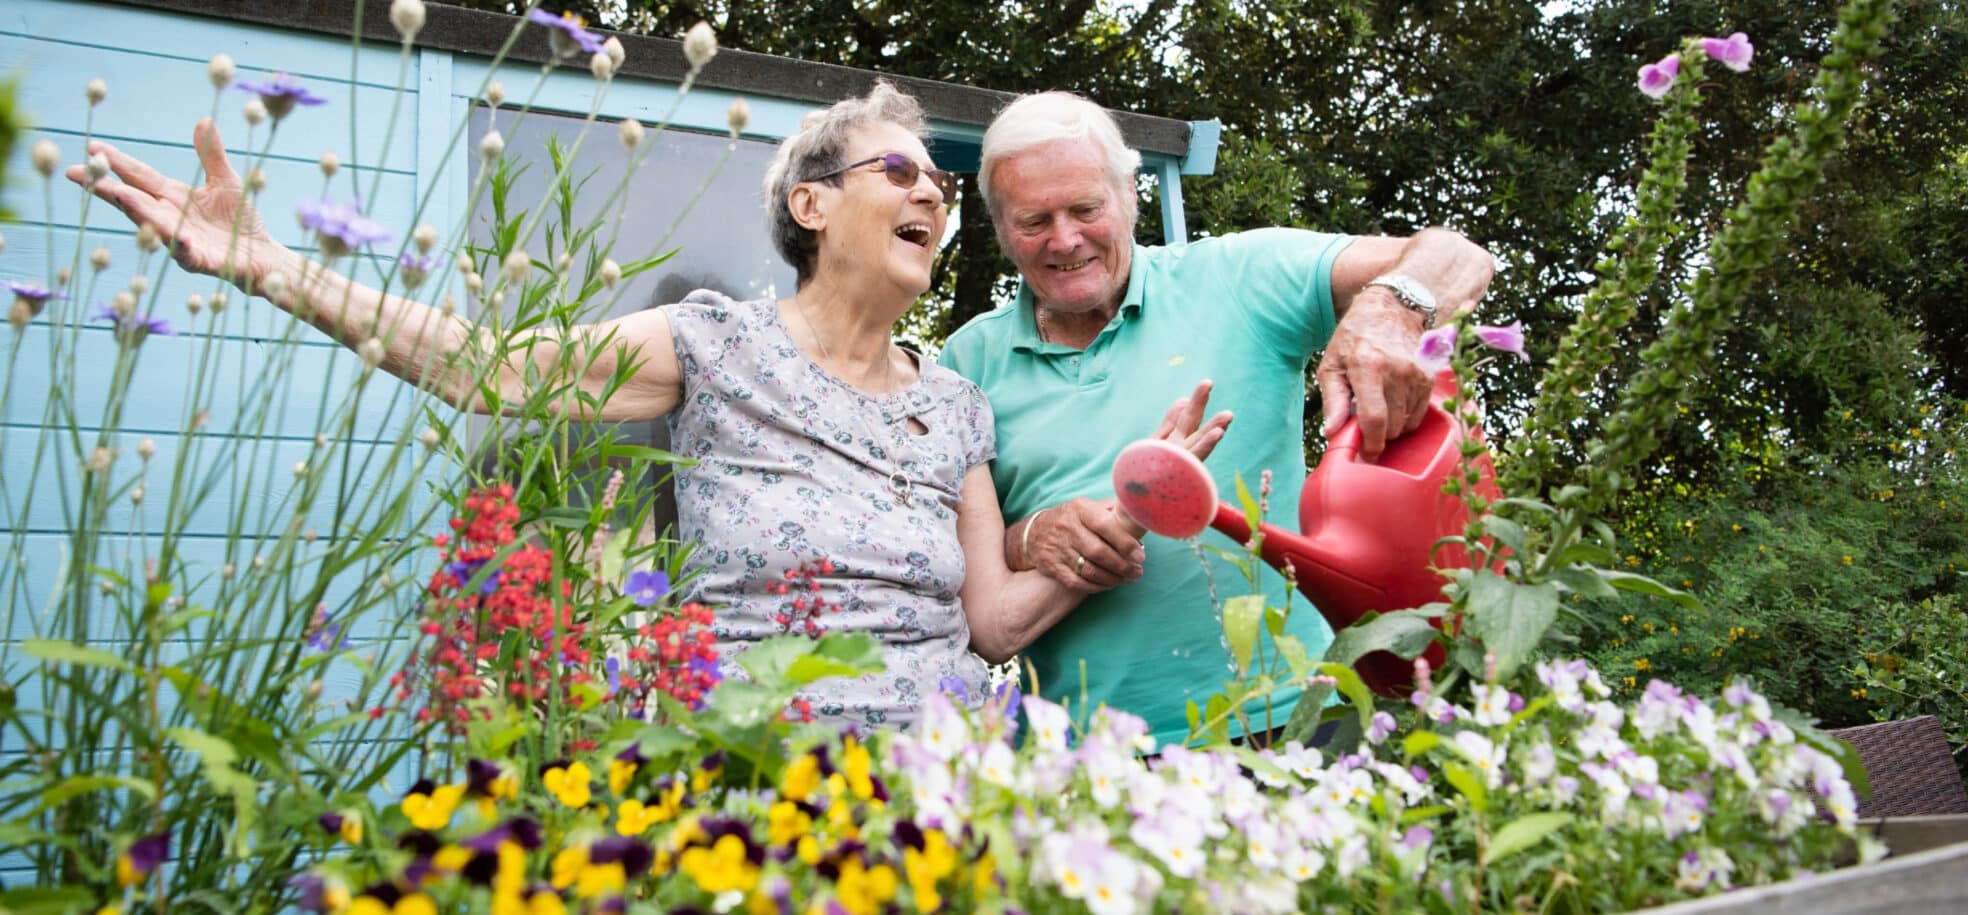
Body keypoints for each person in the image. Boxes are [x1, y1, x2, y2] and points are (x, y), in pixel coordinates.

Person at [70, 82, 1225, 732]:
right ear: (812, 207)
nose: (929, 188)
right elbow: (491, 367)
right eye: (899, 171)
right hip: (761, 784)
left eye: (936, 183)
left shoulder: (959, 406)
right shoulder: (713, 343)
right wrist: (268, 262)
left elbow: (994, 624)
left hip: (951, 793)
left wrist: (1123, 518)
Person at [938, 91, 1495, 746]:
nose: (1065, 239)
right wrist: (1032, 535)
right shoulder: (965, 360)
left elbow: (1460, 256)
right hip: (1086, 754)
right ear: (1000, 229)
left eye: (1086, 208)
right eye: (1034, 220)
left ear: (1129, 195)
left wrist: (1391, 311)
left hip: (1293, 719)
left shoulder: (1240, 275)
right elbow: (968, 557)